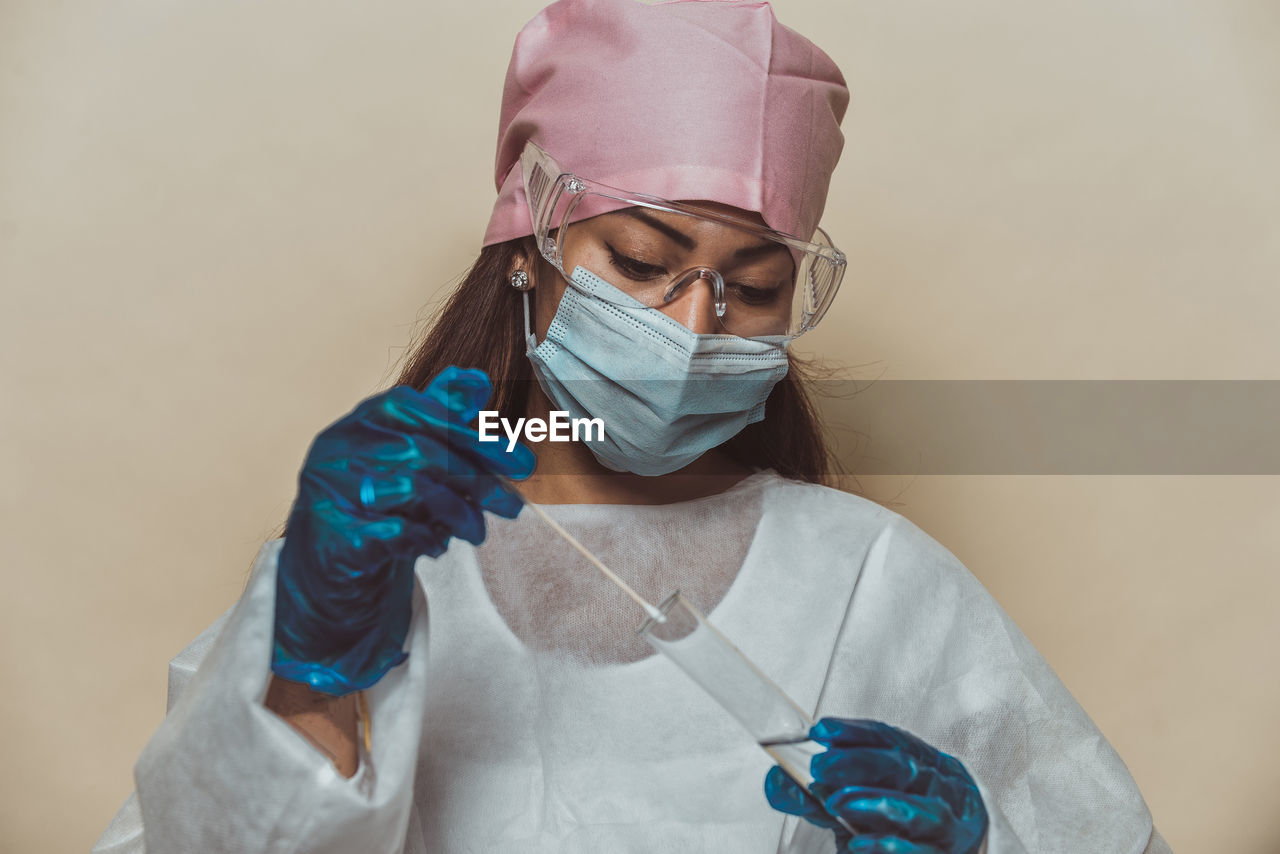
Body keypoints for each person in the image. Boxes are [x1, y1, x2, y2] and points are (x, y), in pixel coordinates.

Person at [92, 1, 1171, 852]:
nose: (694, 329)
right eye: (644, 264)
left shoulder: (874, 578)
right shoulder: (375, 556)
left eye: (749, 289)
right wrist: (308, 671)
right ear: (530, 246)